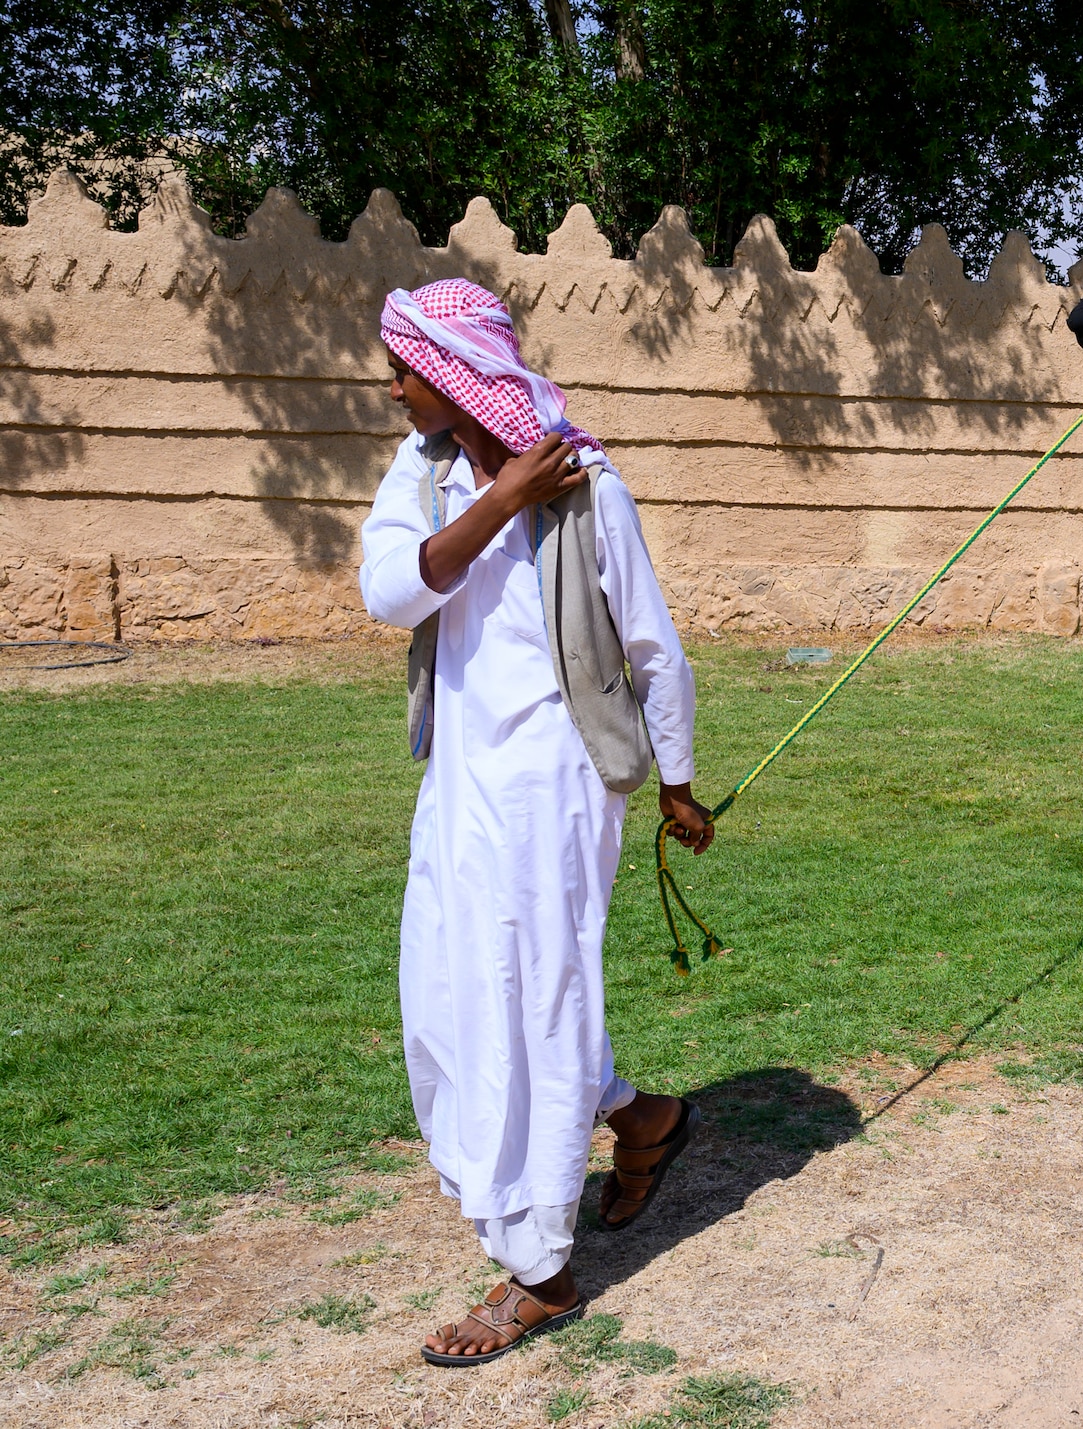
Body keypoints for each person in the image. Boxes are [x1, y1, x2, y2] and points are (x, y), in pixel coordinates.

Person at [358, 278, 715, 1367]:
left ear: (455, 371)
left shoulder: (586, 479)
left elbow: (649, 639)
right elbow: (389, 593)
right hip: (461, 782)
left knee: (533, 1000)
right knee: (449, 990)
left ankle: (539, 1267)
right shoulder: (423, 477)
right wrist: (500, 496)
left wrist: (677, 779)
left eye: (406, 369)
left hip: (561, 786)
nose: (392, 388)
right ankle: (640, 1117)